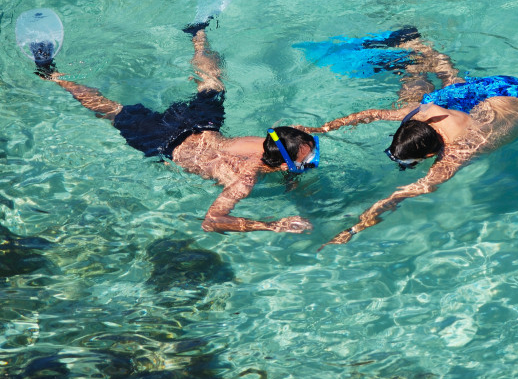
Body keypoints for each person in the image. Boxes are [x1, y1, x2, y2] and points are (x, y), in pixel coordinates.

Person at [33, 21, 318, 234]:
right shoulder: (243, 182)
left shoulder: (265, 141)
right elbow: (212, 222)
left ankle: (198, 32)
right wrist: (272, 226)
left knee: (212, 82)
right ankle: (52, 75)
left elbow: (289, 139)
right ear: (283, 164)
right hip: (163, 141)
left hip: (200, 125)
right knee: (110, 110)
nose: (311, 160)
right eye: (306, 159)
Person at [297, 27, 518, 250]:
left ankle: (417, 58)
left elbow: (398, 196)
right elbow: (371, 114)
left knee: (435, 94)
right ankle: (416, 49)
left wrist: (353, 229)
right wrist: (320, 129)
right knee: (426, 99)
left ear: (429, 155)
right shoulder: (425, 114)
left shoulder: (457, 153)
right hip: (503, 89)